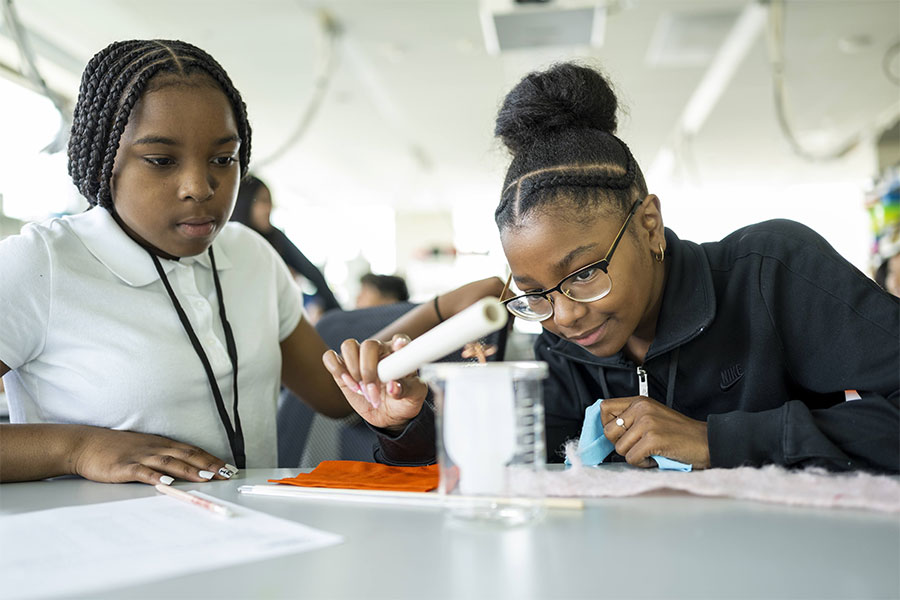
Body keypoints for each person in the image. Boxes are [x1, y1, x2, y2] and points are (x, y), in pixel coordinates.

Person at [323, 63, 900, 473]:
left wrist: (714, 439)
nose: (567, 315)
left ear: (649, 225)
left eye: (584, 272)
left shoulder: (770, 271)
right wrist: (410, 421)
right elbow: (519, 463)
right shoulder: (563, 342)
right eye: (535, 294)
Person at [0, 39, 351, 485]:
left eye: (224, 159)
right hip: (102, 548)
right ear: (103, 161)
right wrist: (77, 447)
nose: (200, 187)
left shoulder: (251, 256)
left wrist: (436, 323)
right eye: (162, 160)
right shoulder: (40, 263)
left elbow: (335, 397)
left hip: (254, 539)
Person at [231, 174, 341, 312]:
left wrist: (336, 310)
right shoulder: (231, 239)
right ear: (243, 202)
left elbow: (311, 272)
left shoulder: (275, 236)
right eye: (262, 201)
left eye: (269, 202)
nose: (268, 208)